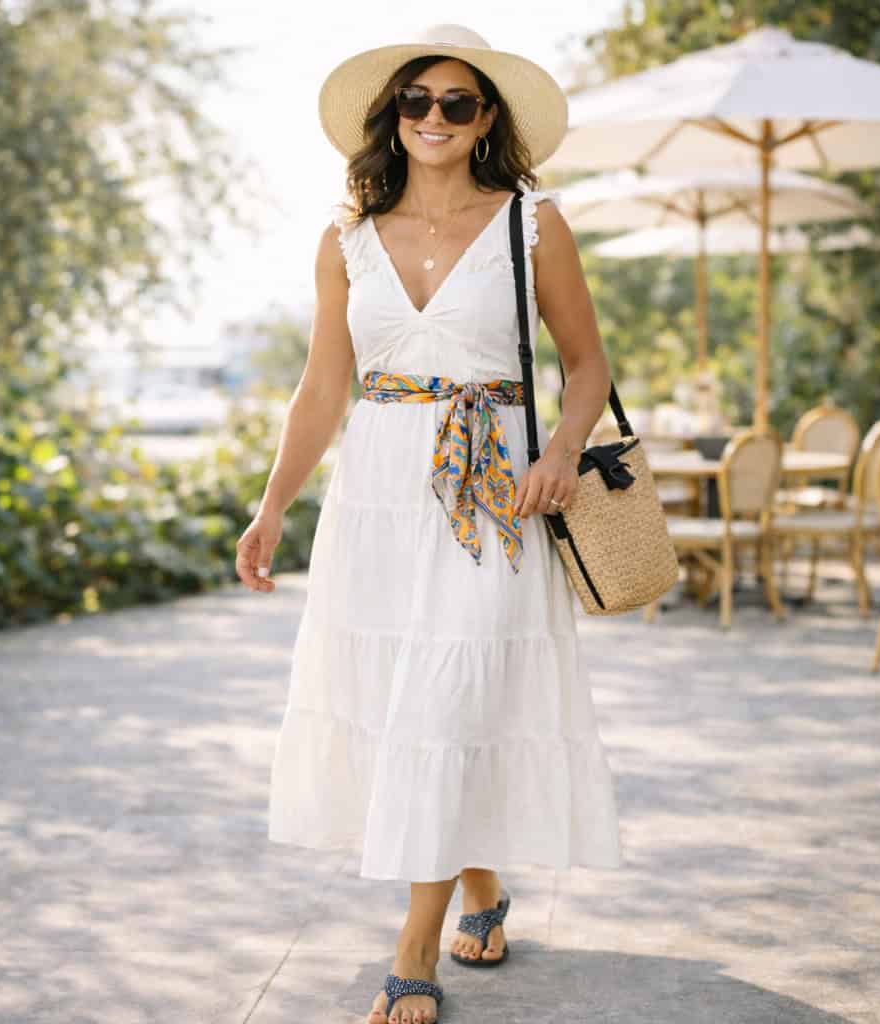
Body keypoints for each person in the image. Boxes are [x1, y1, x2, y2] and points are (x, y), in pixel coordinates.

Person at [235, 24, 622, 1024]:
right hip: (377, 490)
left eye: (457, 102)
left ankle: (414, 951)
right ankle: (479, 886)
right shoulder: (347, 236)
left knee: (451, 696)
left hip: (494, 490)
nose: (435, 118)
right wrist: (271, 504)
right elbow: (324, 387)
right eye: (416, 101)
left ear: (486, 117)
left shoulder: (530, 223)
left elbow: (585, 366)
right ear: (391, 116)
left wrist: (557, 454)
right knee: (410, 698)